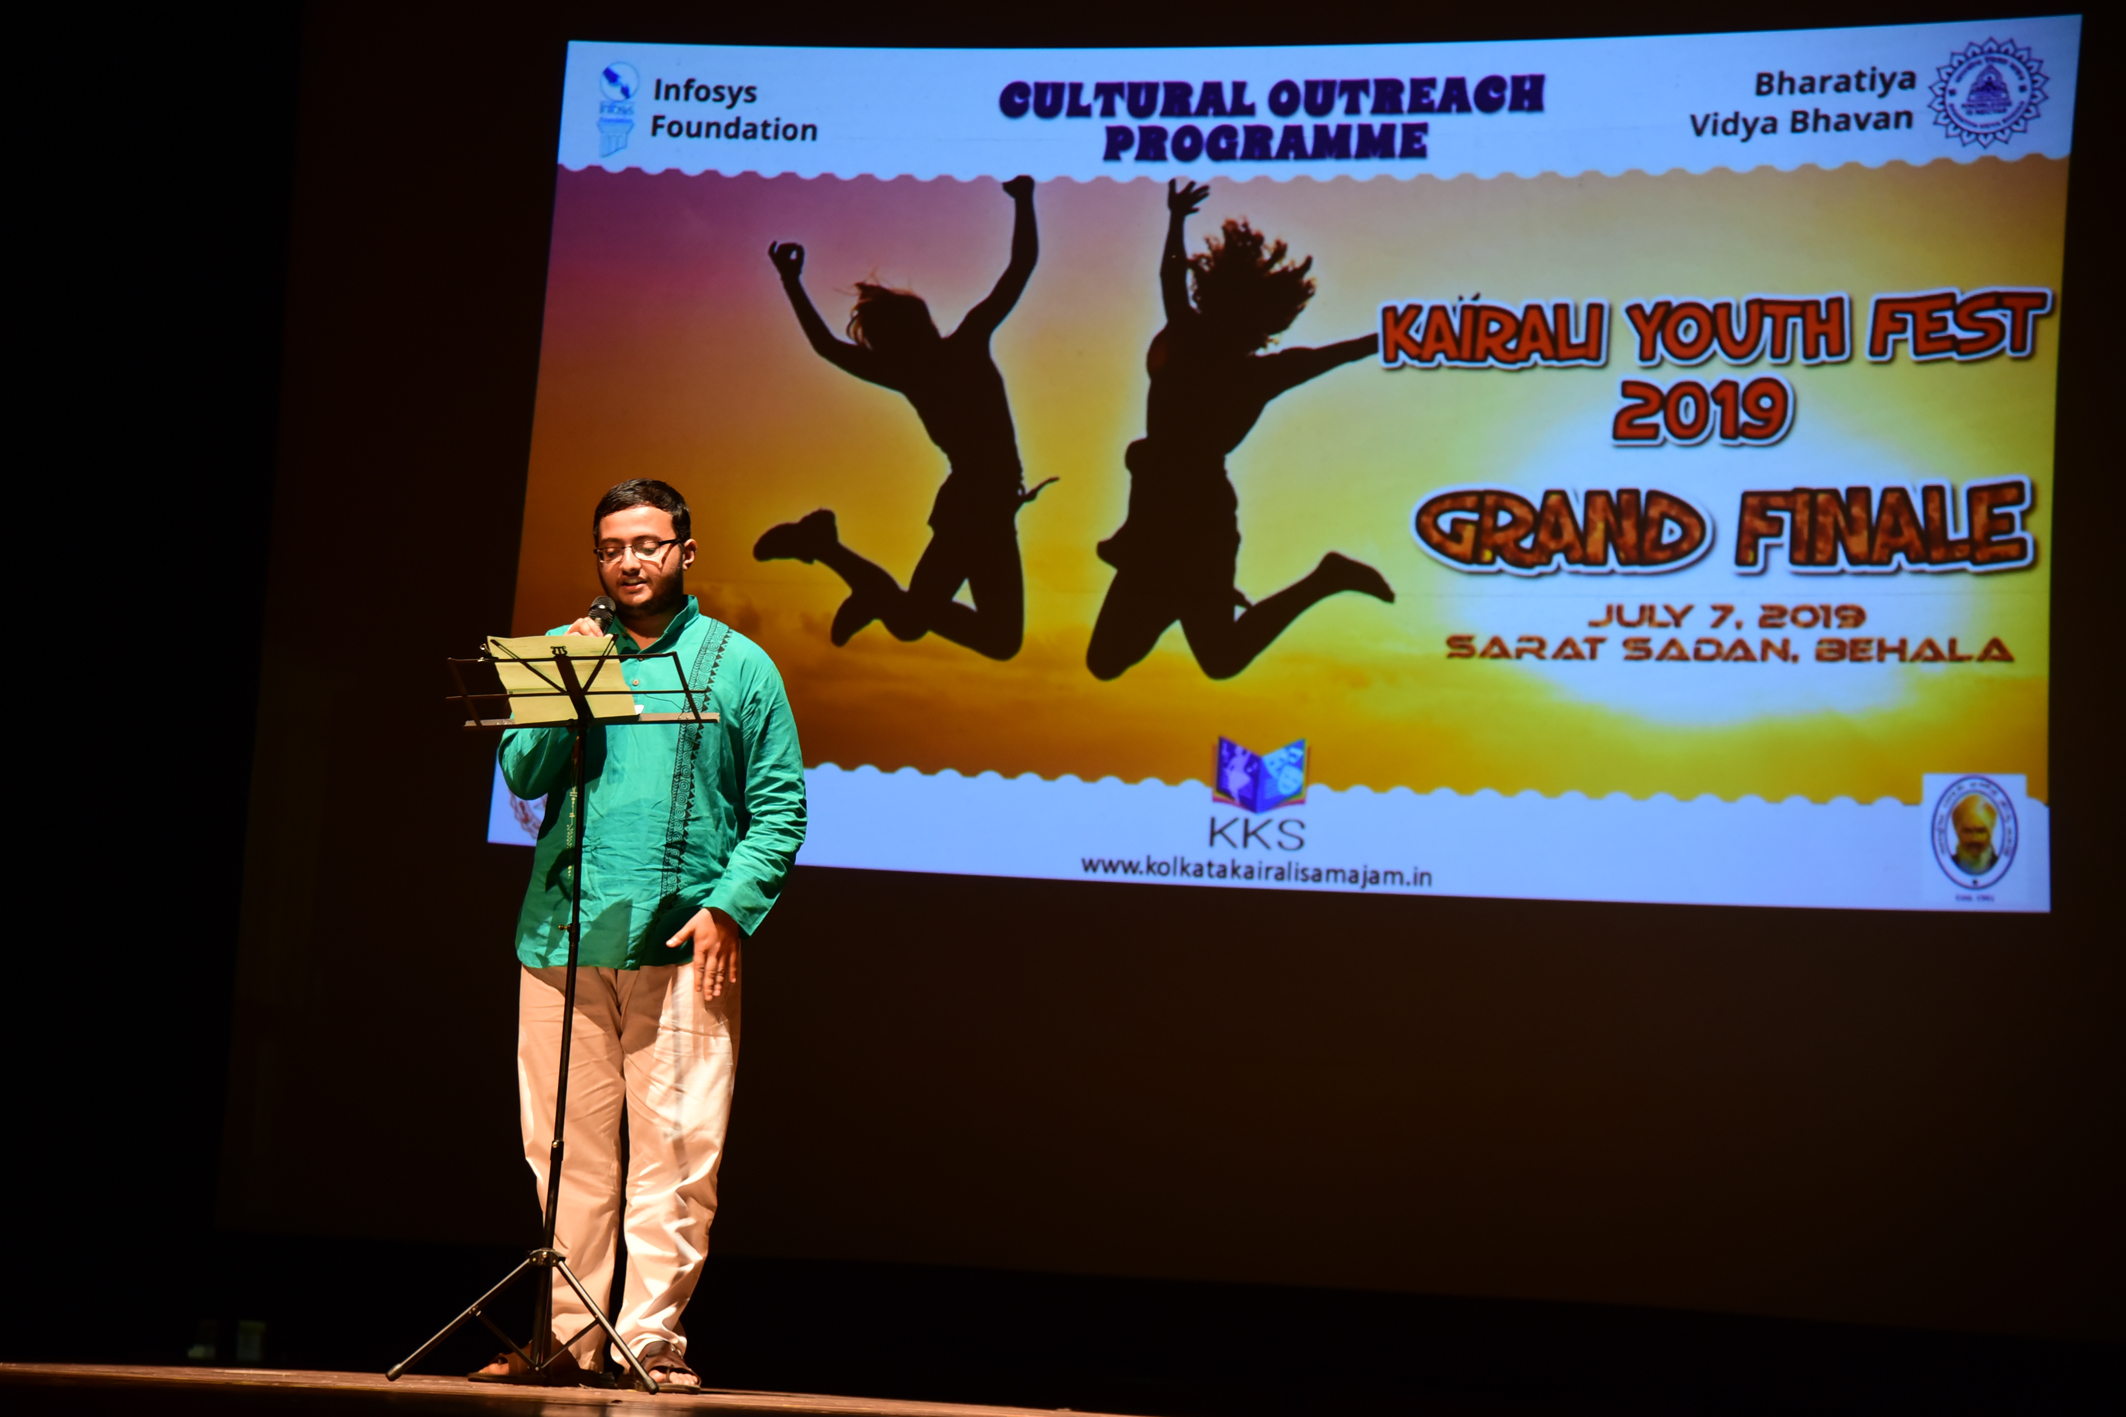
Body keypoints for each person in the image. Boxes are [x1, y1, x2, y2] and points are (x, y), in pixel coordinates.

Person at [480, 478, 807, 1390]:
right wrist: (571, 678)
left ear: (685, 553)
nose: (629, 562)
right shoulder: (566, 650)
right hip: (564, 932)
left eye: (648, 545)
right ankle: (567, 1338)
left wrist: (732, 905)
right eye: (612, 547)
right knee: (565, 1155)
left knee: (677, 1152)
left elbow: (781, 804)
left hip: (683, 937)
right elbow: (524, 771)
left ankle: (650, 1341)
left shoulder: (740, 664)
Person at [1087, 179, 1393, 682]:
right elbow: (1340, 353)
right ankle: (1189, 594)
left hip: (1190, 519)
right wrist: (1175, 222)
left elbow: (1336, 354)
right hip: (1169, 518)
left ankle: (1323, 578)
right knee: (1112, 661)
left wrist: (1176, 220)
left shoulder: (1214, 352)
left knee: (1208, 659)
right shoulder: (1227, 358)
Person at [754, 176, 1051, 660]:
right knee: (959, 630)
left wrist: (792, 281)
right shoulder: (961, 347)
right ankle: (828, 550)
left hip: (983, 504)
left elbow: (827, 346)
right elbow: (1021, 267)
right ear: (920, 327)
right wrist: (1023, 200)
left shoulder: (915, 373)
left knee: (926, 623)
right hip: (979, 505)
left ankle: (830, 551)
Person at [1950, 793, 2000, 876]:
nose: (1974, 839)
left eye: (1980, 831)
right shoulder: (1947, 866)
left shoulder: (2001, 866)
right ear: (1957, 832)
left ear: (1990, 832)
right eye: (1968, 831)